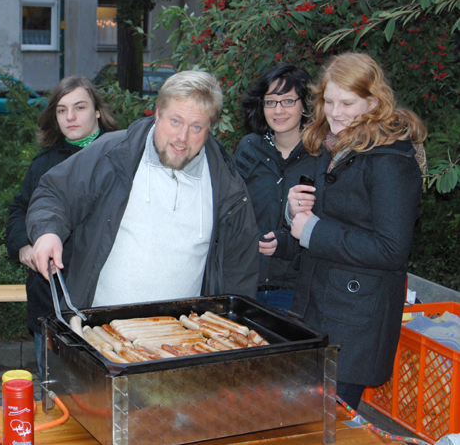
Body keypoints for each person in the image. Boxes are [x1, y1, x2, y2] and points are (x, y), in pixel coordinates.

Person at [26, 70, 259, 309]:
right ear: (158, 113)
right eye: (175, 121)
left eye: (196, 127)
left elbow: (240, 270)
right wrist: (47, 232)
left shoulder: (227, 184)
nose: (182, 137)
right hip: (99, 331)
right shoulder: (113, 153)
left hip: (181, 339)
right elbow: (54, 193)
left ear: (210, 127)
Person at [275, 52, 427, 410]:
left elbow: (392, 250)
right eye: (328, 101)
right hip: (319, 307)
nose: (335, 112)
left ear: (374, 101)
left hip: (356, 323)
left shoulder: (390, 158)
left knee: (325, 426)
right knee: (304, 422)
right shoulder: (339, 144)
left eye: (347, 102)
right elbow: (333, 218)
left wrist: (313, 230)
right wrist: (294, 209)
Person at [6, 76, 119, 373]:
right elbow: (19, 209)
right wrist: (24, 247)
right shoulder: (44, 162)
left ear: (97, 111)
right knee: (55, 395)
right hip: (52, 299)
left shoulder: (122, 155)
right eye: (61, 109)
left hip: (109, 301)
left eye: (79, 107)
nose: (70, 117)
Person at [234, 64, 314, 310]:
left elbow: (334, 223)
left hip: (297, 289)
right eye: (270, 102)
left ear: (305, 104)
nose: (278, 110)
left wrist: (286, 243)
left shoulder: (322, 156)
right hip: (246, 285)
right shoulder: (249, 147)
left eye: (288, 101)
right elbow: (232, 210)